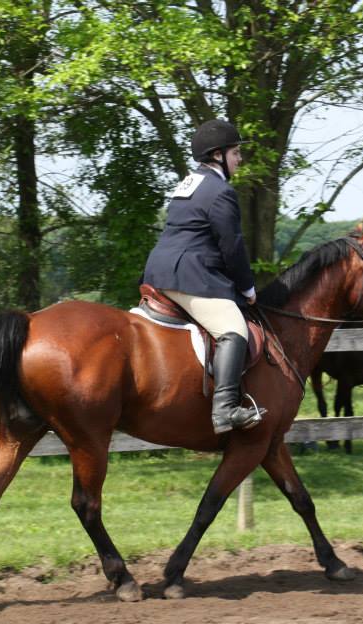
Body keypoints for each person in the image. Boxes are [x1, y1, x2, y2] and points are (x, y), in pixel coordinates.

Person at [141, 119, 266, 435]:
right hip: (190, 274)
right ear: (217, 155)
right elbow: (232, 246)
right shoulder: (220, 191)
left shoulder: (189, 183)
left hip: (160, 270)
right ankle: (225, 410)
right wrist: (247, 288)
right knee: (233, 328)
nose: (240, 159)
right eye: (236, 153)